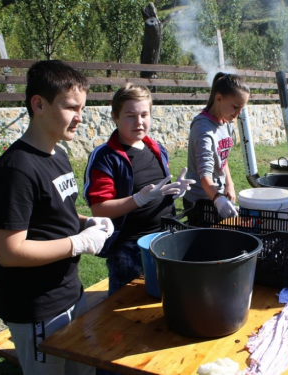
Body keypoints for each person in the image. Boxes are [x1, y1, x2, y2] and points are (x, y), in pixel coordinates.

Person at [0, 60, 113, 375]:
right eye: (72, 107)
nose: (80, 118)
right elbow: (9, 252)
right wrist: (79, 242)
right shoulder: (16, 169)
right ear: (39, 104)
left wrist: (86, 222)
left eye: (82, 108)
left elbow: (57, 212)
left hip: (71, 292)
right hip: (37, 306)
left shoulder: (58, 154)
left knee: (83, 370)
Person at [83, 83, 194, 296]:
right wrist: (138, 199)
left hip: (164, 239)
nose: (139, 122)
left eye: (144, 114)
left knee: (165, 299)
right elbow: (99, 209)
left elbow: (160, 190)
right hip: (129, 249)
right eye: (130, 115)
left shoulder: (157, 148)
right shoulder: (106, 157)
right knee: (126, 309)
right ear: (115, 117)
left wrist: (175, 192)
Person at [183, 72, 250, 220]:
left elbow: (222, 158)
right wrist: (218, 198)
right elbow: (204, 174)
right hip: (200, 202)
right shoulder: (203, 129)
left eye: (242, 108)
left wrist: (229, 184)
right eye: (236, 106)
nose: (238, 113)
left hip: (216, 196)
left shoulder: (225, 123)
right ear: (219, 98)